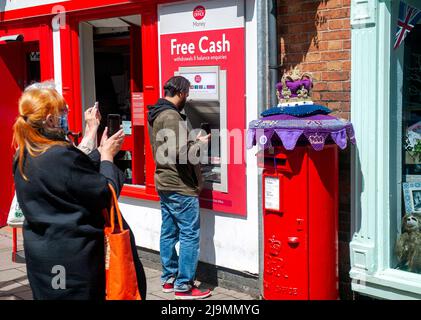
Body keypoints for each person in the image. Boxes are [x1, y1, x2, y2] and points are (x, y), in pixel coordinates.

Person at [12, 82, 146, 300]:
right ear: (50, 120)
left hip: (43, 254)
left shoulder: (25, 152)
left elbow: (71, 175)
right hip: (69, 260)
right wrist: (108, 158)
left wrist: (101, 151)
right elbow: (106, 193)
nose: (65, 117)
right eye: (62, 112)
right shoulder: (58, 155)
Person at [147, 76, 211, 300]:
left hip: (164, 180)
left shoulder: (156, 113)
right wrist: (200, 144)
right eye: (188, 93)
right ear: (181, 92)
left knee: (169, 231)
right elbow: (182, 154)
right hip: (180, 184)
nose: (188, 97)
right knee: (189, 234)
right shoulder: (172, 115)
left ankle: (168, 279)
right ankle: (184, 286)